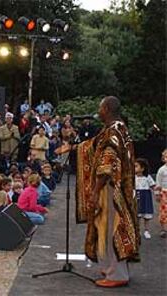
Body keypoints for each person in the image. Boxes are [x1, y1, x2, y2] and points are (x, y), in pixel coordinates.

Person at [76, 96, 139, 287]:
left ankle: (118, 275)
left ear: (107, 109)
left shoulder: (114, 132)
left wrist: (95, 191)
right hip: (118, 188)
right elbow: (94, 145)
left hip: (112, 189)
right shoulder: (117, 129)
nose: (99, 111)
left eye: (100, 108)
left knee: (113, 228)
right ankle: (113, 267)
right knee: (109, 228)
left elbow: (107, 165)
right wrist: (74, 148)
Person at [135, 158, 156, 239]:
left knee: (146, 215)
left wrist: (158, 191)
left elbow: (153, 186)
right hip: (137, 197)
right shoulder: (133, 177)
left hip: (146, 198)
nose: (134, 168)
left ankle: (146, 231)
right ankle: (138, 231)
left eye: (136, 166)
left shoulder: (147, 177)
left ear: (142, 168)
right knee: (137, 215)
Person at [155, 149, 167, 238]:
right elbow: (158, 183)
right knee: (163, 211)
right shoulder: (162, 170)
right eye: (165, 157)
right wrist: (157, 194)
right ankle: (163, 229)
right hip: (164, 193)